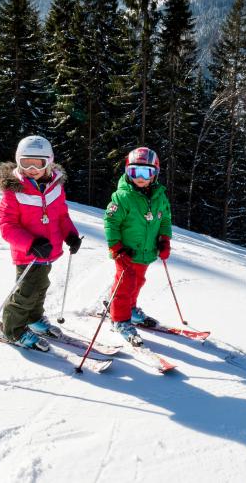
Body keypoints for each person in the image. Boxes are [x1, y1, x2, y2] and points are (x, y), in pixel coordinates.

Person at [0, 135, 82, 350]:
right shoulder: (13, 191)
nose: (32, 168)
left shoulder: (55, 187)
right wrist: (31, 244)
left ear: (48, 162)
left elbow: (61, 216)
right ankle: (13, 329)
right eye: (26, 163)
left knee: (41, 286)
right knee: (26, 292)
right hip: (28, 253)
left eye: (38, 163)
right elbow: (7, 226)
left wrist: (71, 235)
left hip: (49, 251)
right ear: (18, 161)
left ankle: (33, 318)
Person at [104, 147, 173, 346]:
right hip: (126, 252)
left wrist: (164, 239)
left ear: (155, 174)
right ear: (127, 172)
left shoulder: (160, 196)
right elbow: (110, 222)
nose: (140, 178)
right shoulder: (122, 197)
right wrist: (116, 247)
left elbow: (165, 219)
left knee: (138, 282)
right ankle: (119, 319)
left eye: (146, 172)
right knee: (124, 286)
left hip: (146, 251)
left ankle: (130, 309)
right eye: (135, 172)